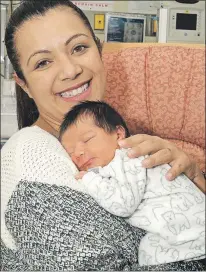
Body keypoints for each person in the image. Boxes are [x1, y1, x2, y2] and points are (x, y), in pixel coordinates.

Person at [1, 0, 205, 270]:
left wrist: (194, 183)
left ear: (100, 51)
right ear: (23, 83)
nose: (70, 70)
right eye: (43, 62)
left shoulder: (113, 142)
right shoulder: (33, 161)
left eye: (79, 48)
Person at [59, 101, 205, 266]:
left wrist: (89, 180)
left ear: (119, 134)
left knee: (148, 251)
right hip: (185, 228)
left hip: (193, 226)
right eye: (70, 152)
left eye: (87, 139)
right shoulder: (111, 167)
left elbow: (123, 204)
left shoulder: (128, 158)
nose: (78, 152)